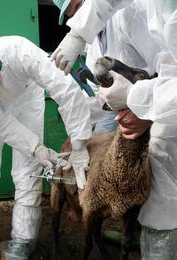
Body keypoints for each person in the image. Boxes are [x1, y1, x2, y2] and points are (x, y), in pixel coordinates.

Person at [0, 26, 104, 260]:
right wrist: (37, 148)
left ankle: (23, 239)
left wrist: (78, 144)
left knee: (27, 170)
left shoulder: (18, 49)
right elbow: (0, 125)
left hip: (26, 98)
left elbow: (63, 88)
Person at [53, 0, 177, 259]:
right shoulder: (93, 43)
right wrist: (84, 111)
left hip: (163, 115)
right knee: (146, 186)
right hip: (145, 109)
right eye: (70, 12)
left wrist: (142, 105)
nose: (76, 13)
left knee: (163, 194)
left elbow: (164, 71)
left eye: (77, 4)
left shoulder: (132, 17)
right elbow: (107, 95)